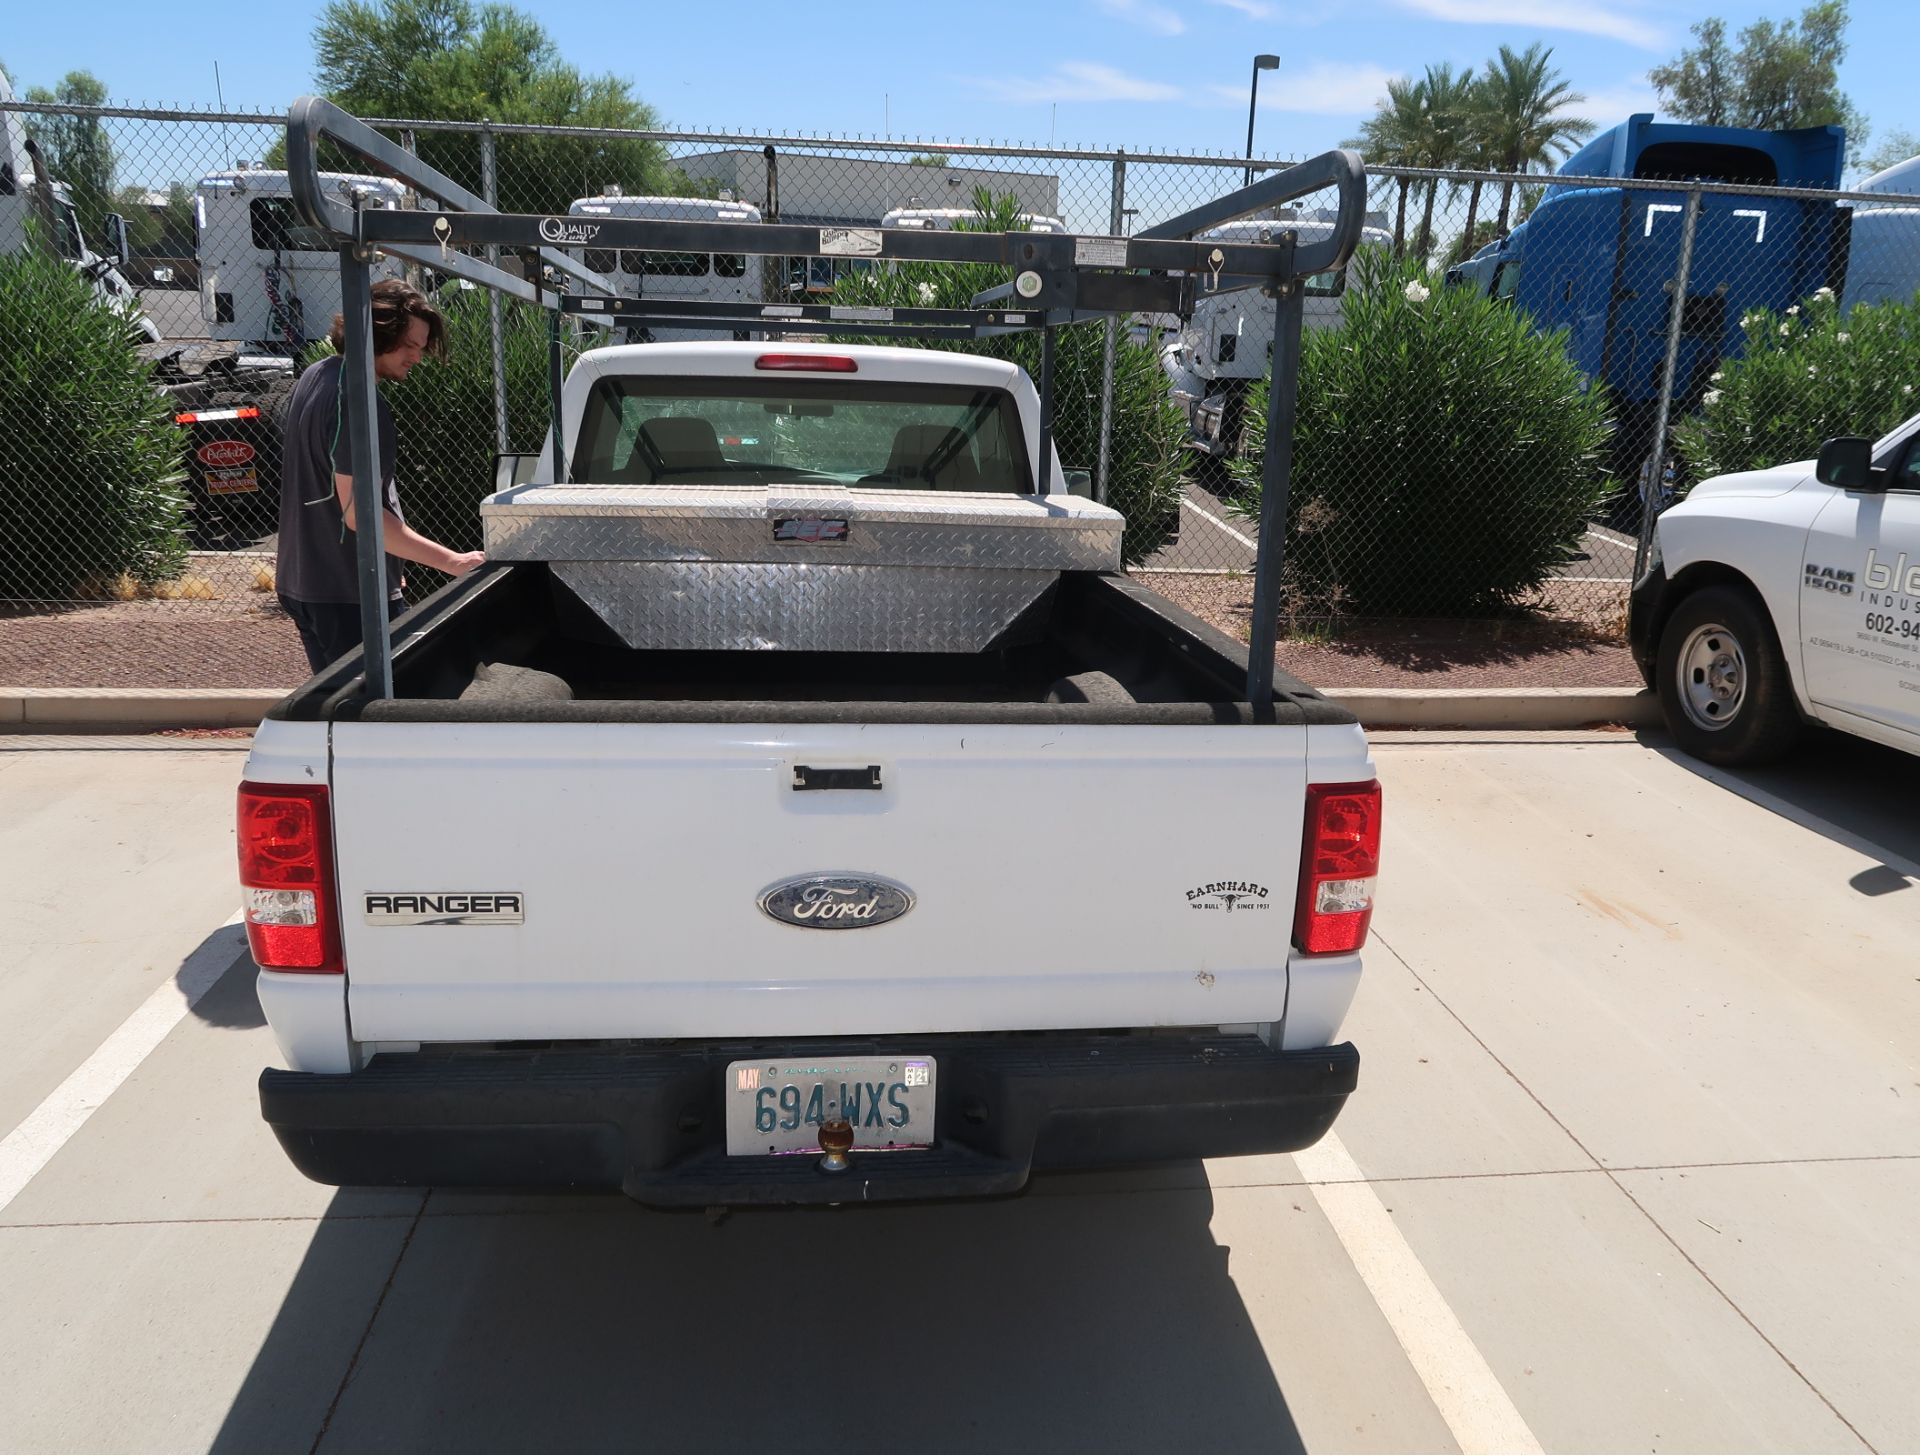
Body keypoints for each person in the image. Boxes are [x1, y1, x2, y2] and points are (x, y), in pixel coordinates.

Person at [275, 279, 485, 674]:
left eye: (421, 349)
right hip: (349, 592)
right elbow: (362, 516)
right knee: (382, 715)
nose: (417, 359)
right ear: (378, 332)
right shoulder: (361, 404)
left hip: (304, 581)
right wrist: (454, 561)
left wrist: (391, 567)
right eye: (410, 346)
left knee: (338, 710)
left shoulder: (316, 376)